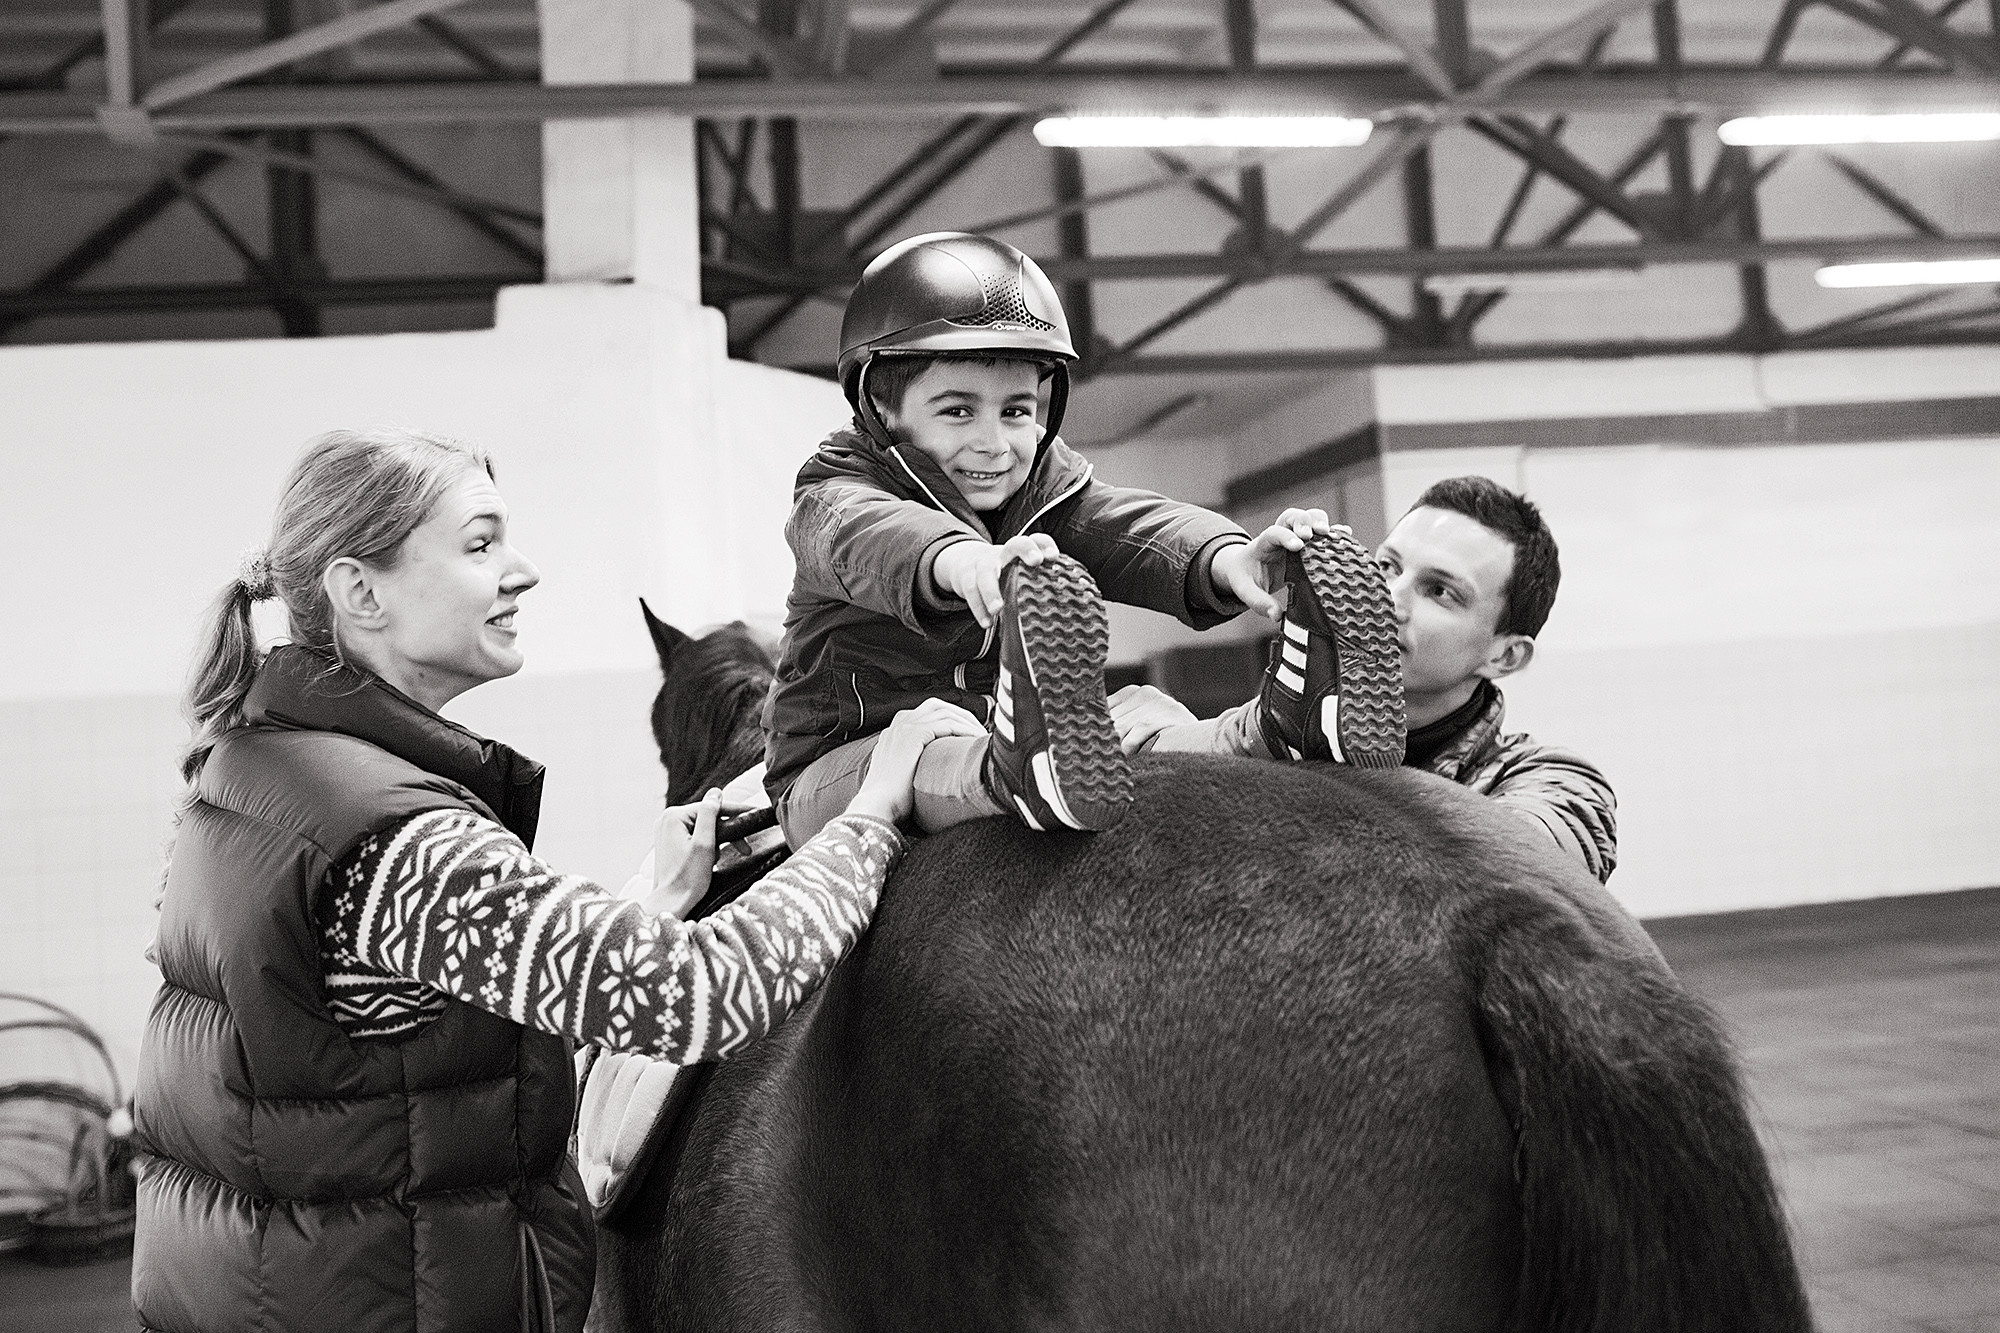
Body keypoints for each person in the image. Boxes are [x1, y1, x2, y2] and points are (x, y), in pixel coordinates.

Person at [130, 427, 976, 1333]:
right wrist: (871, 815)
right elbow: (700, 992)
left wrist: (650, 909)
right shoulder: (394, 836)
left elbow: (396, 1034)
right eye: (481, 542)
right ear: (359, 591)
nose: (523, 570)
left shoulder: (254, 771)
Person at [763, 231, 1405, 845]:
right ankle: (1011, 772)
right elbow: (870, 538)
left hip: (1012, 730)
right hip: (841, 762)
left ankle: (1279, 727)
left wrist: (1231, 559)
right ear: (880, 404)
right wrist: (966, 564)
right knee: (923, 754)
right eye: (958, 410)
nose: (994, 443)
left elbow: (1132, 529)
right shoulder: (834, 495)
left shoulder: (1045, 490)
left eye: (1017, 411)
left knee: (1136, 715)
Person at [1110, 476, 1618, 884]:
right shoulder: (1276, 745)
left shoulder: (1554, 781)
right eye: (1385, 566)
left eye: (1440, 591)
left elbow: (1509, 872)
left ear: (1505, 656)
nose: (1388, 599)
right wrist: (1174, 750)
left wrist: (1220, 751)